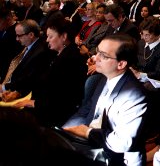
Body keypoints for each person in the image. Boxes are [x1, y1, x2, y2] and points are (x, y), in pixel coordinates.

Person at [63, 34, 149, 166]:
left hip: (118, 158)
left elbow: (123, 142)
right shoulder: (104, 77)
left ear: (121, 64)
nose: (95, 58)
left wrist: (87, 132)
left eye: (103, 56)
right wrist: (64, 131)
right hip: (95, 145)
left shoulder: (134, 95)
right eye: (97, 52)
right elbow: (86, 111)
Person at [14, 18, 87, 127]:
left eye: (50, 36)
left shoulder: (70, 59)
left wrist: (35, 103)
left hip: (54, 113)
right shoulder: (59, 54)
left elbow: (64, 96)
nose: (47, 40)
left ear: (64, 36)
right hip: (46, 106)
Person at [1, 20, 53, 103]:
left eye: (19, 36)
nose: (16, 39)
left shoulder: (41, 52)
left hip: (20, 92)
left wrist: (4, 88)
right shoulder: (26, 44)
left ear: (31, 35)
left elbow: (29, 79)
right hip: (10, 86)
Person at [133, 16, 160, 80]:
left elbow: (158, 73)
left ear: (157, 34)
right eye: (142, 34)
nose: (143, 37)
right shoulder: (140, 43)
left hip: (151, 81)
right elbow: (134, 61)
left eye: (147, 35)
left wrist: (141, 75)